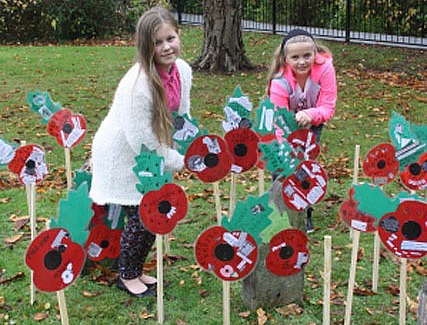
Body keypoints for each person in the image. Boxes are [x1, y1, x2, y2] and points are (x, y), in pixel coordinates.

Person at [89, 6, 192, 297]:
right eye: (157, 43)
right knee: (143, 214)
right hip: (123, 154)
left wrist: (188, 146)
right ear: (145, 46)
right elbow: (141, 139)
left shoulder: (183, 70)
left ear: (179, 34)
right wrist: (173, 159)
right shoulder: (139, 83)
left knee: (153, 214)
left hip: (151, 150)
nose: (166, 47)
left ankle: (135, 268)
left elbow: (182, 116)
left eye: (170, 38)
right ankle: (127, 275)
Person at [266, 29, 337, 232]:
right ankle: (281, 214)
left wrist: (311, 115)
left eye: (307, 55)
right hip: (283, 127)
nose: (302, 62)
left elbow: (328, 106)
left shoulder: (325, 70)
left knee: (307, 167)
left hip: (312, 123)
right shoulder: (279, 81)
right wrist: (283, 149)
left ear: (315, 53)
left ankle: (305, 215)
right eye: (295, 57)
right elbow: (279, 120)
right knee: (281, 168)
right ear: (285, 58)